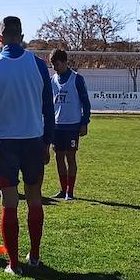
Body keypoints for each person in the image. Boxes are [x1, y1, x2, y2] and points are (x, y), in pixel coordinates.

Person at [0, 16, 55, 275]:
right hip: (33, 140)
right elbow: (48, 108)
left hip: (5, 143)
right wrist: (47, 142)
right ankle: (34, 256)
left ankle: (13, 264)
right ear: (22, 36)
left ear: (0, 38)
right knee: (34, 198)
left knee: (9, 201)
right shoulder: (39, 66)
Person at [48, 49, 91, 201]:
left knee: (70, 157)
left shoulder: (77, 79)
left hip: (72, 125)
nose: (54, 67)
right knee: (58, 157)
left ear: (65, 62)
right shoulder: (51, 80)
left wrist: (85, 122)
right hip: (57, 126)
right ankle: (62, 189)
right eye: (52, 64)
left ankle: (70, 192)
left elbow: (86, 103)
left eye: (57, 64)